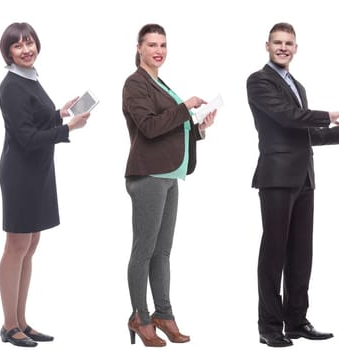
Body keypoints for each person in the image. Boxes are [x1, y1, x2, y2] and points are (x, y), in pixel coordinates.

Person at [247, 22, 339, 348]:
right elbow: (286, 117)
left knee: (300, 254)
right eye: (278, 42)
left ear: (296, 48)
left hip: (304, 176)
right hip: (277, 177)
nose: (283, 47)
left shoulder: (297, 84)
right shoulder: (258, 81)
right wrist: (328, 115)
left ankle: (296, 321)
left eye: (289, 43)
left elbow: (302, 131)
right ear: (267, 46)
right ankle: (269, 327)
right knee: (274, 254)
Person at [121, 23, 217, 347]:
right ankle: (140, 316)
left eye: (163, 44)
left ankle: (164, 314)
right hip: (147, 177)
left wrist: (198, 128)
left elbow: (170, 130)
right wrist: (184, 107)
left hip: (170, 175)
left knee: (162, 252)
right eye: (151, 44)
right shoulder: (135, 84)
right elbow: (148, 127)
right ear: (139, 48)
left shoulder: (159, 83)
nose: (158, 50)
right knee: (144, 251)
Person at [0, 22, 90, 348]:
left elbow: (36, 120)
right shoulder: (10, 86)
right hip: (21, 173)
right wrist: (68, 129)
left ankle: (22, 321)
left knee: (30, 246)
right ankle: (9, 326)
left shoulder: (31, 77)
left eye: (30, 42)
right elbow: (25, 136)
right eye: (18, 45)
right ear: (8, 52)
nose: (26, 49)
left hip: (39, 171)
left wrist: (59, 113)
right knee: (16, 247)